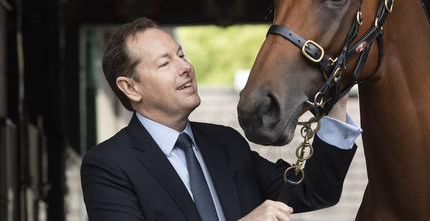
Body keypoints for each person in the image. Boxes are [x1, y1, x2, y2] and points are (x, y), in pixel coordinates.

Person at [81, 17, 361, 221]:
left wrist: (337, 105)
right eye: (165, 63)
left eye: (181, 55)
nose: (186, 67)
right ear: (130, 87)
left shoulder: (225, 143)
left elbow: (312, 191)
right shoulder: (109, 165)